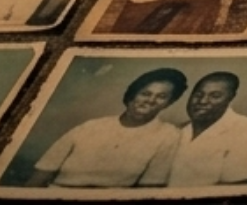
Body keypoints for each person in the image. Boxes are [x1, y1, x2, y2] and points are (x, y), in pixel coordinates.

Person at [26, 67, 187, 188]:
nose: (151, 100)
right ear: (132, 95)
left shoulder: (168, 135)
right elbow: (41, 174)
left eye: (162, 97)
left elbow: (149, 188)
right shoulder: (91, 127)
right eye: (145, 93)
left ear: (169, 103)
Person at [166, 72, 247, 189]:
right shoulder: (177, 130)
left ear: (230, 98)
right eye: (198, 94)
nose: (203, 101)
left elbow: (233, 190)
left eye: (215, 96)